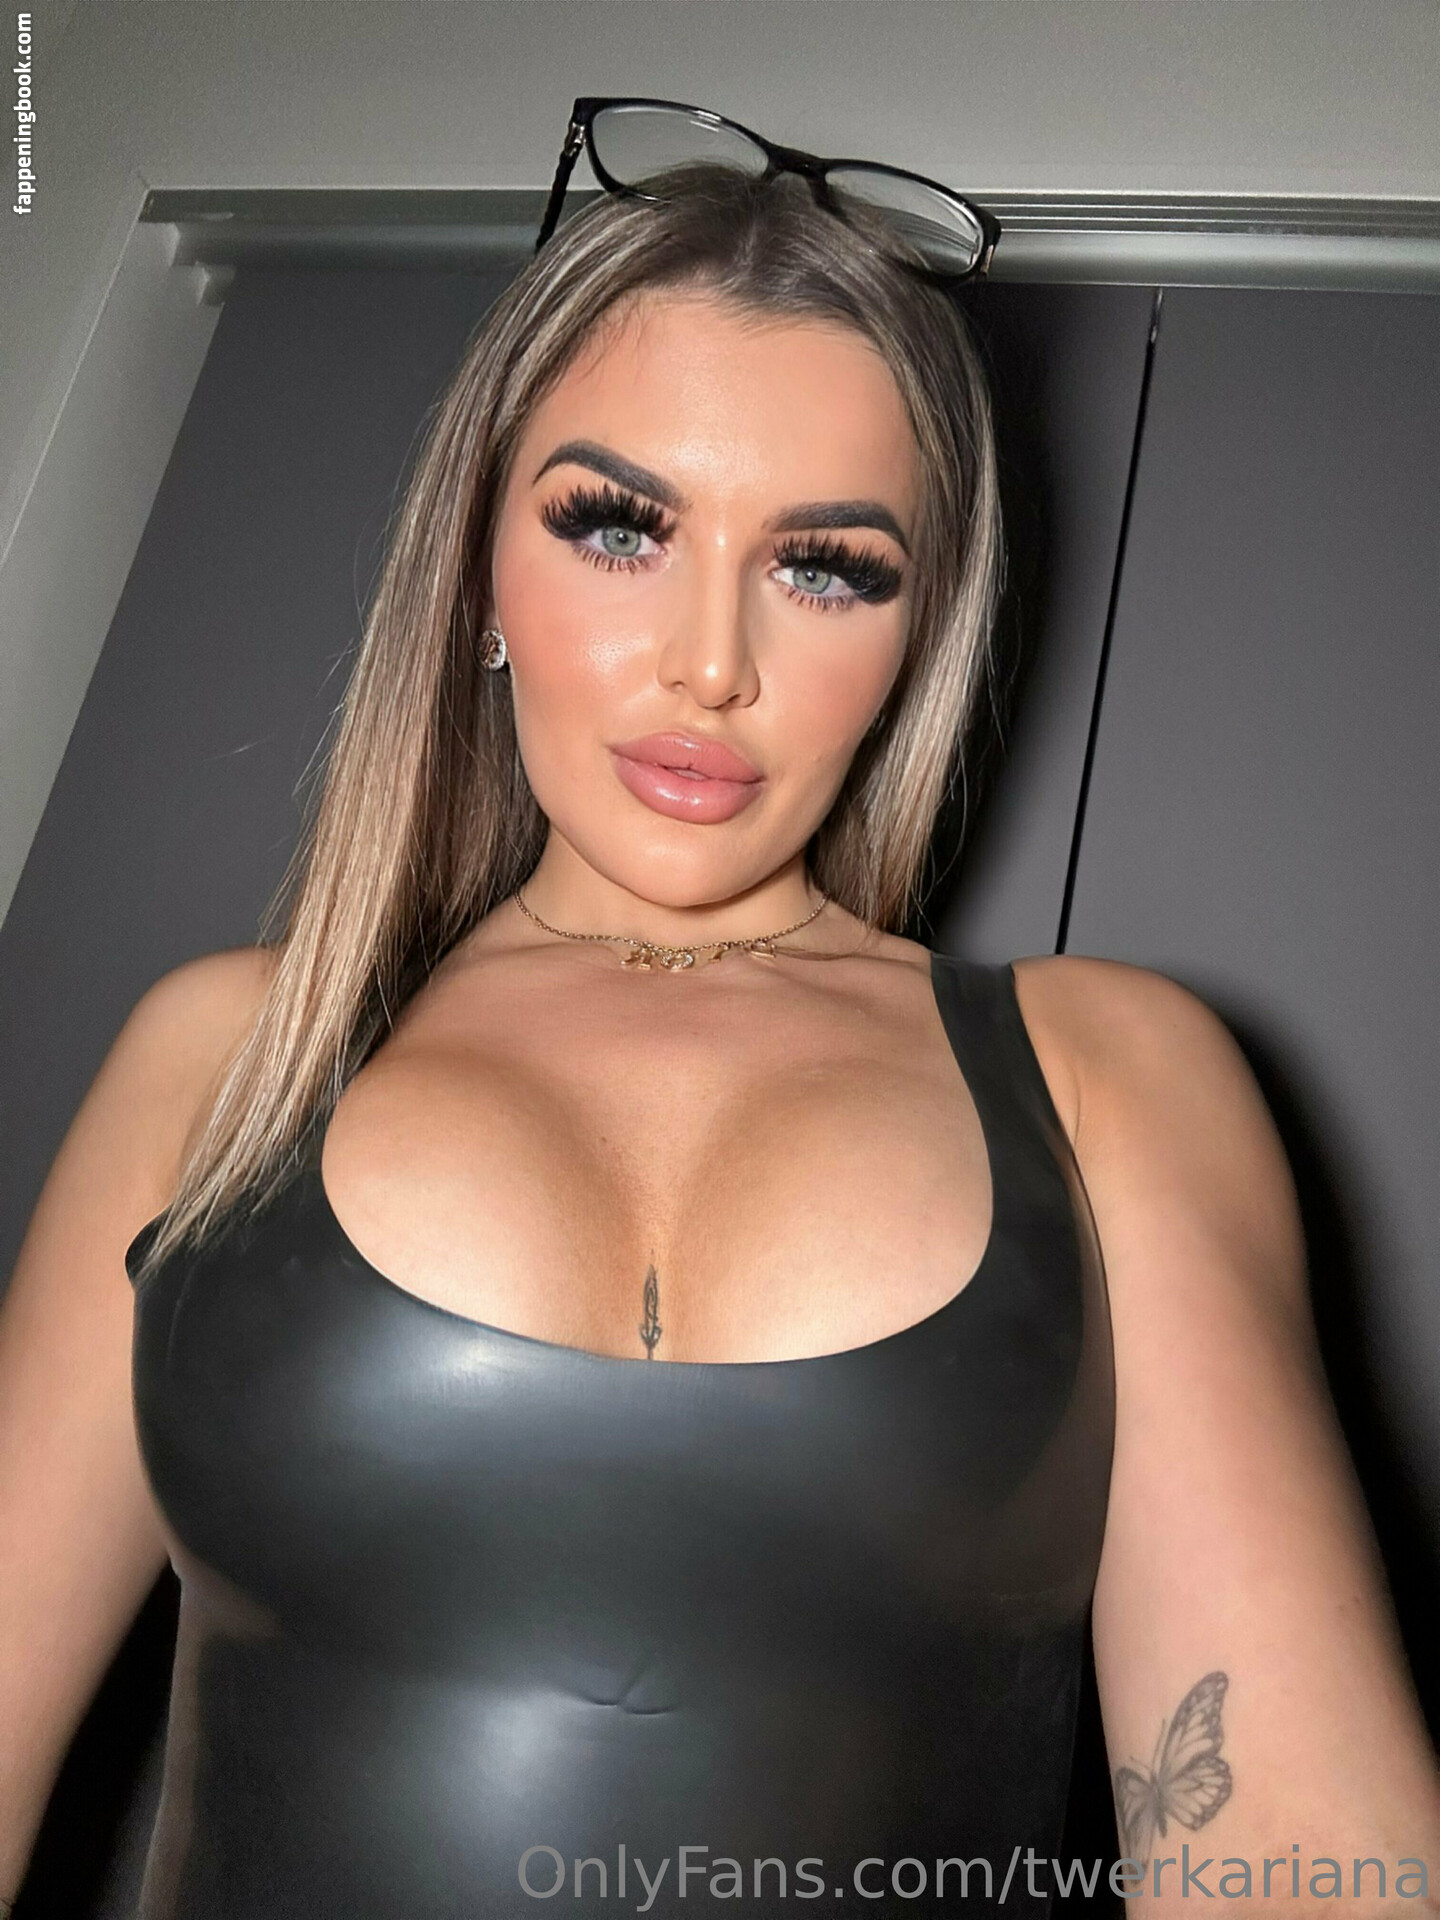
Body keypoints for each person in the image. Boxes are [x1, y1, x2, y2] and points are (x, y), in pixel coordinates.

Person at [2, 106, 1438, 1920]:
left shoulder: (1105, 1079)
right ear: (479, 564)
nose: (711, 663)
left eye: (824, 567)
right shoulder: (225, 1060)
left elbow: (1290, 1846)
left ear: (916, 636)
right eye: (619, 528)